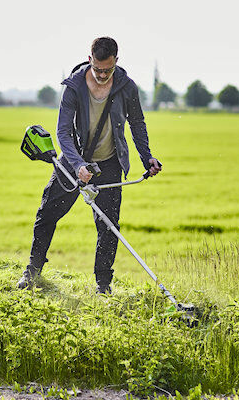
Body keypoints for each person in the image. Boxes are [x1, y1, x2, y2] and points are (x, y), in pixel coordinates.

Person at [18, 37, 161, 294]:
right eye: (97, 69)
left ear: (116, 61)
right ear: (89, 60)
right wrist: (78, 165)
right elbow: (63, 132)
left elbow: (137, 123)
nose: (103, 75)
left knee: (108, 225)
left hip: (109, 163)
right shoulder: (73, 87)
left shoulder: (127, 87)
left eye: (108, 69)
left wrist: (147, 157)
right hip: (74, 160)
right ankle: (32, 271)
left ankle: (103, 285)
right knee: (47, 212)